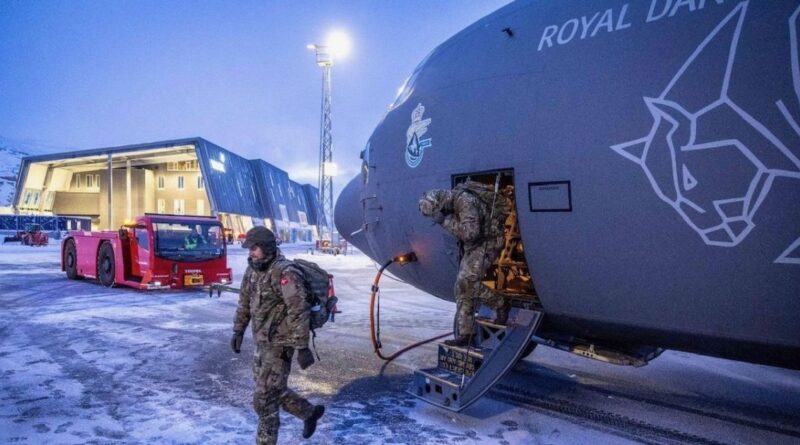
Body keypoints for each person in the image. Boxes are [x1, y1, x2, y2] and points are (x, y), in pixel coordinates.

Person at [231, 226, 325, 445]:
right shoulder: (252, 270)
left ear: (267, 247)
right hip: (262, 341)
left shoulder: (286, 273)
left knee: (265, 398)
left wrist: (302, 347)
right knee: (272, 389)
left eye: (254, 248)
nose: (251, 253)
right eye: (249, 248)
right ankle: (308, 412)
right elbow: (244, 302)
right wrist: (238, 330)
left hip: (282, 343)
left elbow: (298, 310)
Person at [418, 180, 511, 347]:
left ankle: (500, 303)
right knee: (461, 287)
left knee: (467, 281)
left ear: (440, 205)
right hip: (475, 246)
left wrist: (444, 221)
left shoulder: (465, 201)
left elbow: (471, 234)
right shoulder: (455, 202)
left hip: (487, 243)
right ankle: (466, 333)